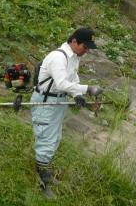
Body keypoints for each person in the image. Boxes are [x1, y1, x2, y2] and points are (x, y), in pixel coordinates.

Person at [31, 27, 103, 194]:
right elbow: (62, 83)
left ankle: (44, 173)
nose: (86, 51)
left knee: (55, 138)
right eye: (85, 47)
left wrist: (77, 95)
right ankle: (41, 182)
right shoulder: (58, 57)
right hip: (46, 102)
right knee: (46, 139)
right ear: (74, 41)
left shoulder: (74, 57)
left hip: (58, 101)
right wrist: (88, 88)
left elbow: (73, 79)